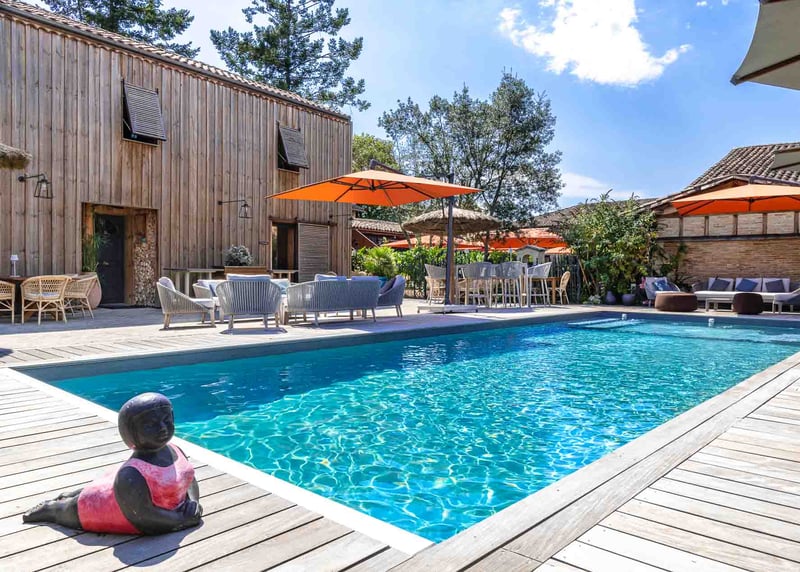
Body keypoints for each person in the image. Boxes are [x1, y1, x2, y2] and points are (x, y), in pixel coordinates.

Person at [23, 393, 202, 534]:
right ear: (131, 431)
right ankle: (50, 507)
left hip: (124, 492)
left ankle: (71, 493)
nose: (162, 428)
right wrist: (181, 520)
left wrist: (193, 502)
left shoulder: (175, 450)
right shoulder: (131, 475)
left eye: (167, 420)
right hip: (100, 507)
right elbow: (142, 517)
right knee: (66, 510)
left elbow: (188, 478)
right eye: (151, 425)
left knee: (104, 486)